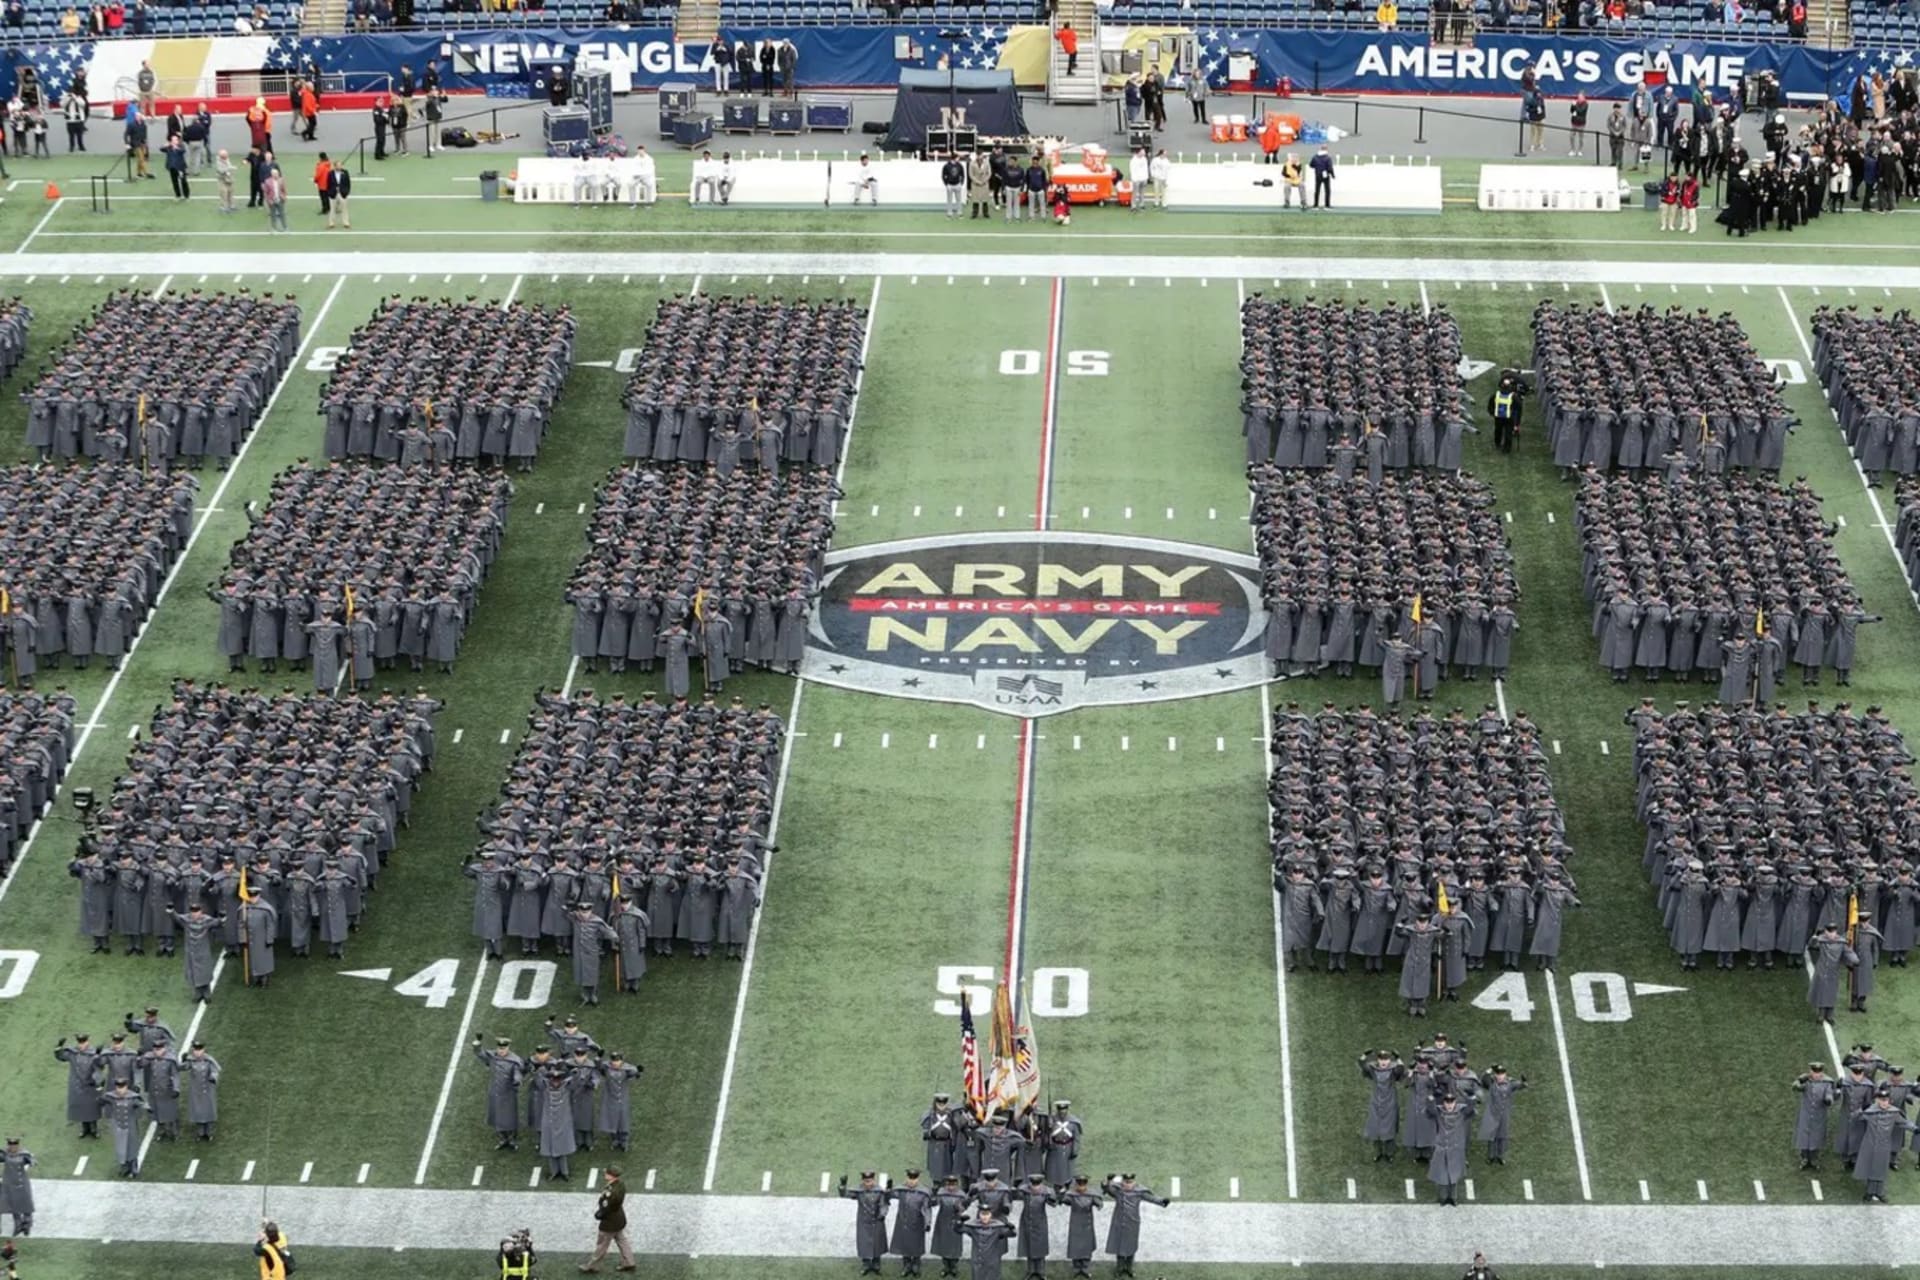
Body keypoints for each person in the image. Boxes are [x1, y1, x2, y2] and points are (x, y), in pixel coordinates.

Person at [1098, 1174, 1167, 1278]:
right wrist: (1107, 1181)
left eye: (1130, 1182)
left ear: (1134, 1182)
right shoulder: (1118, 1191)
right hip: (1119, 1222)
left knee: (1131, 1247)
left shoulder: (1139, 1192)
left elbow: (1151, 1198)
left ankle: (1129, 1268)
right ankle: (1119, 1268)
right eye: (1126, 1182)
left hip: (1132, 1223)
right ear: (1123, 1182)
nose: (1128, 1185)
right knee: (1120, 1247)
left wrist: (1162, 1201)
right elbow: (1107, 1189)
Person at [580, 1165, 634, 1272]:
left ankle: (592, 1266)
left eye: (607, 1173)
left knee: (602, 1245)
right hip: (619, 1219)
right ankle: (629, 1262)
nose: (605, 1174)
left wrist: (599, 1214)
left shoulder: (611, 1192)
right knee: (622, 1240)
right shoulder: (620, 1185)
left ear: (612, 1176)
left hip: (610, 1222)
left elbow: (606, 1207)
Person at [840, 1171, 890, 1276]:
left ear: (873, 1180)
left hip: (877, 1221)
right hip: (863, 1222)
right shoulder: (859, 1191)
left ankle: (876, 1264)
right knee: (864, 1244)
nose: (868, 1184)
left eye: (870, 1181)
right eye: (866, 1181)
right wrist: (843, 1185)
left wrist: (882, 1214)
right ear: (863, 1181)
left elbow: (884, 1204)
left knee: (877, 1243)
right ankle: (866, 1264)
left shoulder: (879, 1191)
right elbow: (845, 1194)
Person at [1360, 1048, 1406, 1161]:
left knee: (1389, 1129)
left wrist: (1398, 1058)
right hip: (1376, 1103)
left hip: (1390, 1102)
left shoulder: (1393, 1069)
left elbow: (1401, 1070)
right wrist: (1364, 1055)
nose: (1383, 1062)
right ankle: (1378, 1152)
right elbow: (1362, 1064)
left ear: (1389, 1060)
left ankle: (1389, 1153)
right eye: (1381, 1059)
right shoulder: (1373, 1069)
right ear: (1378, 1060)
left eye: (1386, 1059)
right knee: (1375, 1129)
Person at [890, 1169, 933, 1277]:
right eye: (910, 1178)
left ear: (918, 1179)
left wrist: (927, 1222)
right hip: (903, 1222)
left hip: (917, 1223)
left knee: (916, 1246)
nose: (912, 1181)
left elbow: (926, 1208)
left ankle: (916, 1265)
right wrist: (888, 1188)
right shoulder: (901, 1189)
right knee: (904, 1245)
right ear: (907, 1178)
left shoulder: (923, 1192)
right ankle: (906, 1265)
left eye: (914, 1179)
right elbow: (890, 1195)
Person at [1795, 1062, 1837, 1170]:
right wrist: (1799, 1081)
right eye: (1814, 1072)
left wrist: (1828, 1100)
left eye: (1819, 1072)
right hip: (1806, 1113)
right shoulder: (1807, 1080)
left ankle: (1813, 1159)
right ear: (1811, 1071)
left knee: (1816, 1137)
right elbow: (1795, 1088)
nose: (1816, 1074)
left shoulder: (1827, 1082)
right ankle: (1804, 1158)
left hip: (1819, 1115)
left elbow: (1829, 1094)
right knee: (1804, 1136)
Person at [0, 1139, 32, 1237]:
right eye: (11, 1146)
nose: (12, 1148)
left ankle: (26, 1225)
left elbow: (31, 1160)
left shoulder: (24, 1154)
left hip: (21, 1183)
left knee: (26, 1204)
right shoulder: (5, 1154)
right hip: (10, 1184)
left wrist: (31, 1161)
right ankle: (18, 1225)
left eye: (14, 1146)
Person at [1488, 370, 1525, 454]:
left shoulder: (1496, 394)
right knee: (1508, 433)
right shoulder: (1513, 396)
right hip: (1509, 417)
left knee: (1498, 430)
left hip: (1498, 416)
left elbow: (1490, 404)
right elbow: (1519, 407)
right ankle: (1506, 449)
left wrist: (1492, 412)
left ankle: (1497, 443)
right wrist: (1517, 423)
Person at [263, 160, 288, 232]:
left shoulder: (281, 180)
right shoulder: (267, 181)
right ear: (272, 175)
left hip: (280, 199)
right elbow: (266, 193)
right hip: (272, 200)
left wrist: (284, 196)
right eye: (275, 174)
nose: (277, 175)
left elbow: (284, 189)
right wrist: (269, 200)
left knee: (282, 214)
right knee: (273, 215)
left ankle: (285, 227)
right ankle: (273, 228)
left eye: (277, 173)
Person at [327, 158, 351, 229]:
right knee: (332, 209)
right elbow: (328, 184)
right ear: (335, 166)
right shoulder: (330, 173)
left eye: (340, 165)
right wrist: (330, 192)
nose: (340, 167)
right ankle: (331, 223)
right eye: (338, 165)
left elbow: (348, 183)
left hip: (342, 193)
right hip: (333, 194)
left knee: (344, 208)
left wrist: (346, 192)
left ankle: (346, 222)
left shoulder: (345, 172)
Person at [941, 152, 964, 219]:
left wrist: (961, 183)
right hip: (950, 185)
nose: (959, 159)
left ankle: (959, 213)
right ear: (954, 158)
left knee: (959, 200)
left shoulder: (960, 165)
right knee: (949, 200)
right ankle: (949, 214)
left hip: (957, 184)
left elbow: (962, 175)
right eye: (958, 158)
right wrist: (946, 184)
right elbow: (943, 175)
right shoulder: (946, 166)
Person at [1568, 91, 1589, 156]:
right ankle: (1572, 150)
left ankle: (1580, 150)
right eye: (1578, 96)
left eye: (1580, 97)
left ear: (1583, 97)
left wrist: (1575, 105)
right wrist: (1572, 105)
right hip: (1574, 123)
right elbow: (1571, 111)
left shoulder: (1585, 104)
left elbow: (1580, 111)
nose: (1579, 98)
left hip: (1581, 123)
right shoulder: (1576, 102)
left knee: (1581, 138)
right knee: (1571, 137)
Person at [1606, 101, 1626, 168]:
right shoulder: (1610, 116)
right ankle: (1613, 162)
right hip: (1612, 135)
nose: (1617, 109)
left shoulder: (1623, 116)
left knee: (1620, 150)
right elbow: (1609, 125)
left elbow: (1625, 126)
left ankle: (1620, 163)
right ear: (1613, 108)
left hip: (1620, 136)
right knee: (1613, 149)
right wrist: (1613, 131)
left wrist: (1620, 132)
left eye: (1618, 108)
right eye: (1616, 108)